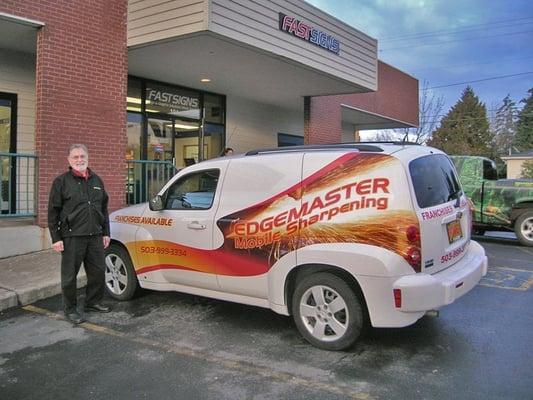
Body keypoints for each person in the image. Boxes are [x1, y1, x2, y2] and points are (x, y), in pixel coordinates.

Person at [48, 144, 111, 324]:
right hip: (71, 236)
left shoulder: (97, 181)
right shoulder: (61, 182)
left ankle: (93, 302)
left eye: (82, 156)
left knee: (98, 272)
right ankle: (70, 309)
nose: (79, 160)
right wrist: (56, 238)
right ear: (68, 160)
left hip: (95, 235)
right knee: (69, 276)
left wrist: (106, 232)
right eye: (75, 157)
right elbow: (53, 211)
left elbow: (103, 208)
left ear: (87, 157)